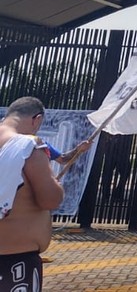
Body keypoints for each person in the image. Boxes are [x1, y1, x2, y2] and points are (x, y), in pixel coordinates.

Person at [0, 97, 64, 292]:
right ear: (36, 119)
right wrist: (55, 182)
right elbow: (50, 199)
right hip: (14, 259)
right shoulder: (27, 146)